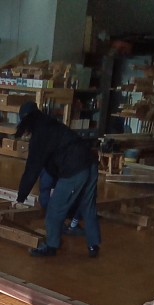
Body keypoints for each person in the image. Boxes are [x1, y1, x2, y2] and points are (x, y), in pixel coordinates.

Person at [13, 101, 100, 258]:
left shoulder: (39, 135)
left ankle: (51, 246)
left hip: (75, 167)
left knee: (54, 209)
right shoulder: (50, 123)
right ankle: (93, 246)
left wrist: (20, 197)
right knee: (88, 205)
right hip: (90, 161)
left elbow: (32, 169)